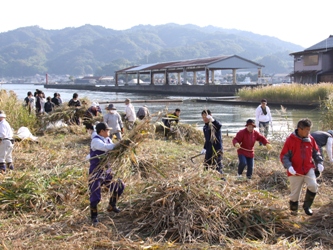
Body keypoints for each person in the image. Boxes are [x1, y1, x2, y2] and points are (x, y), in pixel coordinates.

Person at [280, 118, 324, 216]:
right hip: (295, 170)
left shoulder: (311, 139)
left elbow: (316, 152)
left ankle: (307, 206)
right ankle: (294, 212)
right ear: (300, 129)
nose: (309, 132)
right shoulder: (290, 140)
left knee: (313, 186)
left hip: (308, 168)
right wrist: (289, 166)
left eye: (309, 129)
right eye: (307, 130)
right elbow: (284, 156)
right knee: (294, 195)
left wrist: (319, 162)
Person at [89, 122, 125, 225]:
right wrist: (119, 145)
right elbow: (106, 147)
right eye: (107, 130)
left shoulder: (107, 139)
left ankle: (112, 205)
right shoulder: (95, 141)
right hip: (96, 171)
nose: (109, 132)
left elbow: (111, 149)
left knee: (119, 185)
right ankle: (94, 216)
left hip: (107, 170)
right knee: (95, 194)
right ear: (102, 131)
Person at [200, 110, 224, 177]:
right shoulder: (205, 127)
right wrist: (204, 148)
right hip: (209, 150)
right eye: (203, 117)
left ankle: (221, 180)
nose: (204, 119)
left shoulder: (214, 125)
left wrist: (212, 120)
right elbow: (207, 140)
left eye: (206, 116)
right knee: (206, 166)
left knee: (217, 167)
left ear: (210, 115)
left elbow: (219, 125)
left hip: (217, 150)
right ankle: (204, 178)